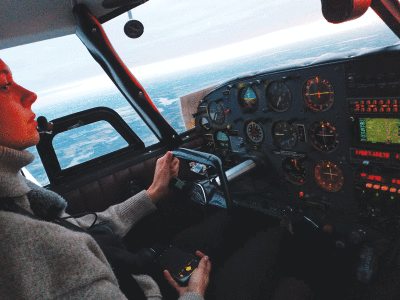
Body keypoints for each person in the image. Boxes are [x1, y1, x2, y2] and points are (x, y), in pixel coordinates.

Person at [0, 58, 211, 300]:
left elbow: (85, 228)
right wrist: (194, 294)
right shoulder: (17, 239)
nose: (30, 95)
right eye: (5, 85)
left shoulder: (17, 200)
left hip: (131, 274)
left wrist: (154, 192)